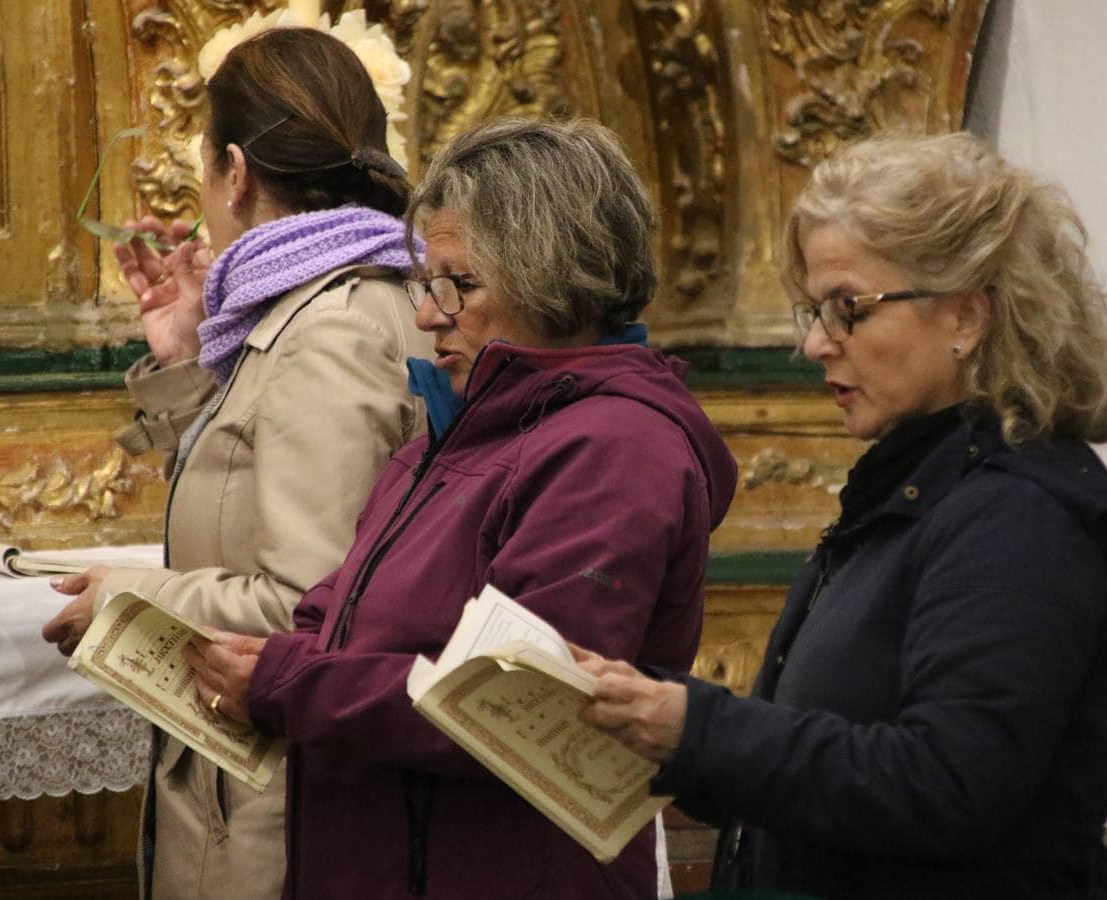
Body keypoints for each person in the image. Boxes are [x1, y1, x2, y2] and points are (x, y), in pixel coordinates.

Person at [572, 132, 1107, 899]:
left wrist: (700, 730)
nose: (816, 343)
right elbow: (829, 764)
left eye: (849, 308)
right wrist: (648, 722)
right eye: (813, 311)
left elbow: (948, 788)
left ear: (967, 317)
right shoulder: (912, 492)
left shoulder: (1018, 519)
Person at [184, 116, 738, 899]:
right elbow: (333, 617)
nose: (426, 316)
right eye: (425, 284)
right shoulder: (445, 442)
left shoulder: (615, 448)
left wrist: (284, 685)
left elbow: (513, 702)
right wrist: (248, 664)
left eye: (460, 285)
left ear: (552, 277)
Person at [40, 27, 432, 900]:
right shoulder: (349, 296)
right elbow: (252, 490)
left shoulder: (332, 328)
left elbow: (303, 602)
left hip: (275, 806)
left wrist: (125, 598)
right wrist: (185, 363)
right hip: (276, 780)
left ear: (237, 171)